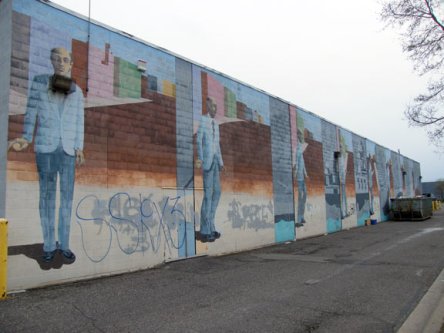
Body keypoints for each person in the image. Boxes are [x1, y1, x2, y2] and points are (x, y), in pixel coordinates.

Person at [9, 47, 84, 262]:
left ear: (71, 63)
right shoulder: (40, 83)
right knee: (47, 198)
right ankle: (50, 245)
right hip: (46, 147)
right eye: (57, 59)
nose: (61, 62)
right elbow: (31, 112)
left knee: (67, 200)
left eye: (65, 59)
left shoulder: (76, 91)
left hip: (68, 150)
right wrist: (26, 137)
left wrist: (79, 146)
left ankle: (65, 244)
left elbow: (80, 121)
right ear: (52, 61)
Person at [195, 97, 224, 242]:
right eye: (213, 107)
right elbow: (198, 140)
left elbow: (217, 145)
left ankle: (211, 224)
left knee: (217, 192)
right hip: (206, 162)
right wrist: (200, 158)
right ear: (208, 108)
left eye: (216, 108)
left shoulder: (216, 125)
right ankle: (205, 230)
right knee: (207, 196)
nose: (215, 110)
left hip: (215, 163)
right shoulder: (203, 120)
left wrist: (221, 161)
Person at [294, 129, 308, 227]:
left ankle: (301, 217)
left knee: (304, 197)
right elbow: (297, 163)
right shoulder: (297, 147)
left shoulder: (300, 147)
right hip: (298, 178)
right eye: (300, 134)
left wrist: (306, 174)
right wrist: (295, 175)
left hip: (302, 178)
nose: (301, 136)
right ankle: (298, 220)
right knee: (300, 199)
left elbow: (303, 163)